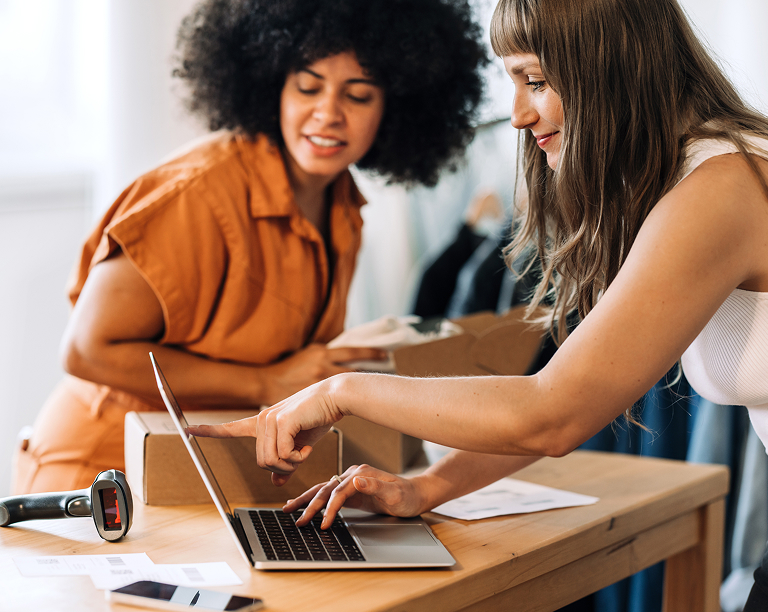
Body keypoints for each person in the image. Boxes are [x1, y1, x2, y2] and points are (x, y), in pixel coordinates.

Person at [190, 0, 768, 606]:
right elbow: (570, 388)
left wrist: (340, 392)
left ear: (613, 66)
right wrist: (427, 488)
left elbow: (554, 415)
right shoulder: (694, 176)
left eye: (536, 81)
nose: (517, 115)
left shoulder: (721, 190)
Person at [11, 0, 488, 494]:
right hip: (100, 477)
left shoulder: (343, 204)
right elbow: (86, 350)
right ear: (272, 85)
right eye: (307, 86)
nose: (328, 113)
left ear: (396, 107)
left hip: (202, 479)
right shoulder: (196, 194)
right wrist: (266, 382)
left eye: (359, 95)